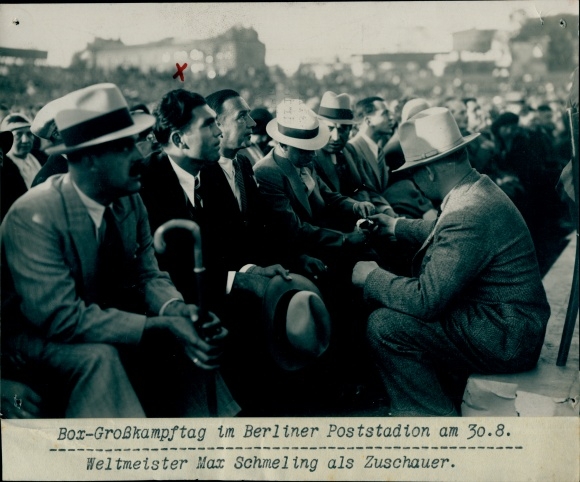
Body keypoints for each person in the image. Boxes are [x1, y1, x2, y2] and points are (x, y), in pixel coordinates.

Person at [1, 83, 238, 418]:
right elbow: (61, 320)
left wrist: (175, 310)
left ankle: (208, 447)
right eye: (125, 147)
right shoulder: (35, 215)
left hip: (89, 323)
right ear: (92, 158)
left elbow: (147, 274)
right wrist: (159, 326)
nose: (139, 156)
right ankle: (123, 461)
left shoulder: (129, 201)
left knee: (187, 332)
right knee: (100, 357)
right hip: (28, 341)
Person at [352, 106, 551, 417]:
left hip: (505, 337)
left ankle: (431, 421)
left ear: (429, 171)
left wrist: (371, 276)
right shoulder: (475, 190)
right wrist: (396, 226)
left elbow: (425, 300)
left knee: (386, 325)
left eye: (414, 172)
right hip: (508, 323)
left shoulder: (467, 212)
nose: (414, 180)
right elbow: (445, 230)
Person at [314, 91, 394, 216]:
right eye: (330, 128)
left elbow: (366, 187)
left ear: (350, 130)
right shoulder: (310, 157)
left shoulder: (350, 150)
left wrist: (385, 209)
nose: (335, 137)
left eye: (342, 129)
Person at [348, 96, 398, 214]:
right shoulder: (352, 149)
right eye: (385, 114)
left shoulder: (378, 150)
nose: (392, 118)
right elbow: (362, 192)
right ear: (368, 121)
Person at [0, 113, 47, 221]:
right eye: (18, 135)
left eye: (29, 134)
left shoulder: (41, 157)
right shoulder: (4, 167)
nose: (25, 140)